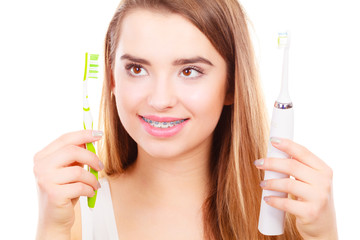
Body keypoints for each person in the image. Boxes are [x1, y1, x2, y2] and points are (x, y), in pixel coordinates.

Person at [33, 0, 338, 239]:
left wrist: (325, 235)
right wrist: (51, 230)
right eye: (137, 69)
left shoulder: (290, 218)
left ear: (231, 85)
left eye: (189, 71)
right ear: (112, 78)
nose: (160, 100)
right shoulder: (75, 219)